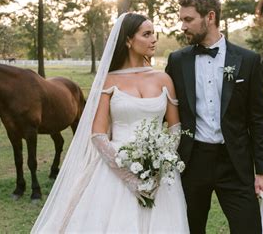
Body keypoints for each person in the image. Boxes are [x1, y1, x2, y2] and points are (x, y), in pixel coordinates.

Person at [31, 13, 189, 233]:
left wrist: (160, 164)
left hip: (160, 179)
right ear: (127, 40)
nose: (154, 39)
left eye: (154, 33)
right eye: (146, 34)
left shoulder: (164, 79)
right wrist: (128, 176)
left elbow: (174, 127)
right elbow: (98, 134)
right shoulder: (109, 81)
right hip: (114, 170)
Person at [165, 0, 263, 234]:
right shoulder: (177, 60)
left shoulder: (248, 60)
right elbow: (165, 111)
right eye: (181, 19)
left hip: (234, 162)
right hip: (192, 161)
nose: (182, 26)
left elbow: (258, 120)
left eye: (188, 19)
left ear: (210, 17)